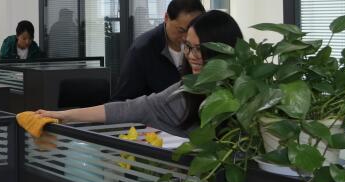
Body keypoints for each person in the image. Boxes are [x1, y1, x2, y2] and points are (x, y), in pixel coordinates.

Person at [35, 10, 242, 137]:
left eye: (200, 49)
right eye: (188, 47)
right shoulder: (186, 90)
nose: (192, 56)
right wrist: (65, 116)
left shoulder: (248, 92)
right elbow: (129, 108)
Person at [112, 0, 206, 101]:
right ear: (166, 18)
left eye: (191, 31)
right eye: (181, 30)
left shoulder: (204, 45)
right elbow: (121, 100)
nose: (186, 37)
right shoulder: (142, 49)